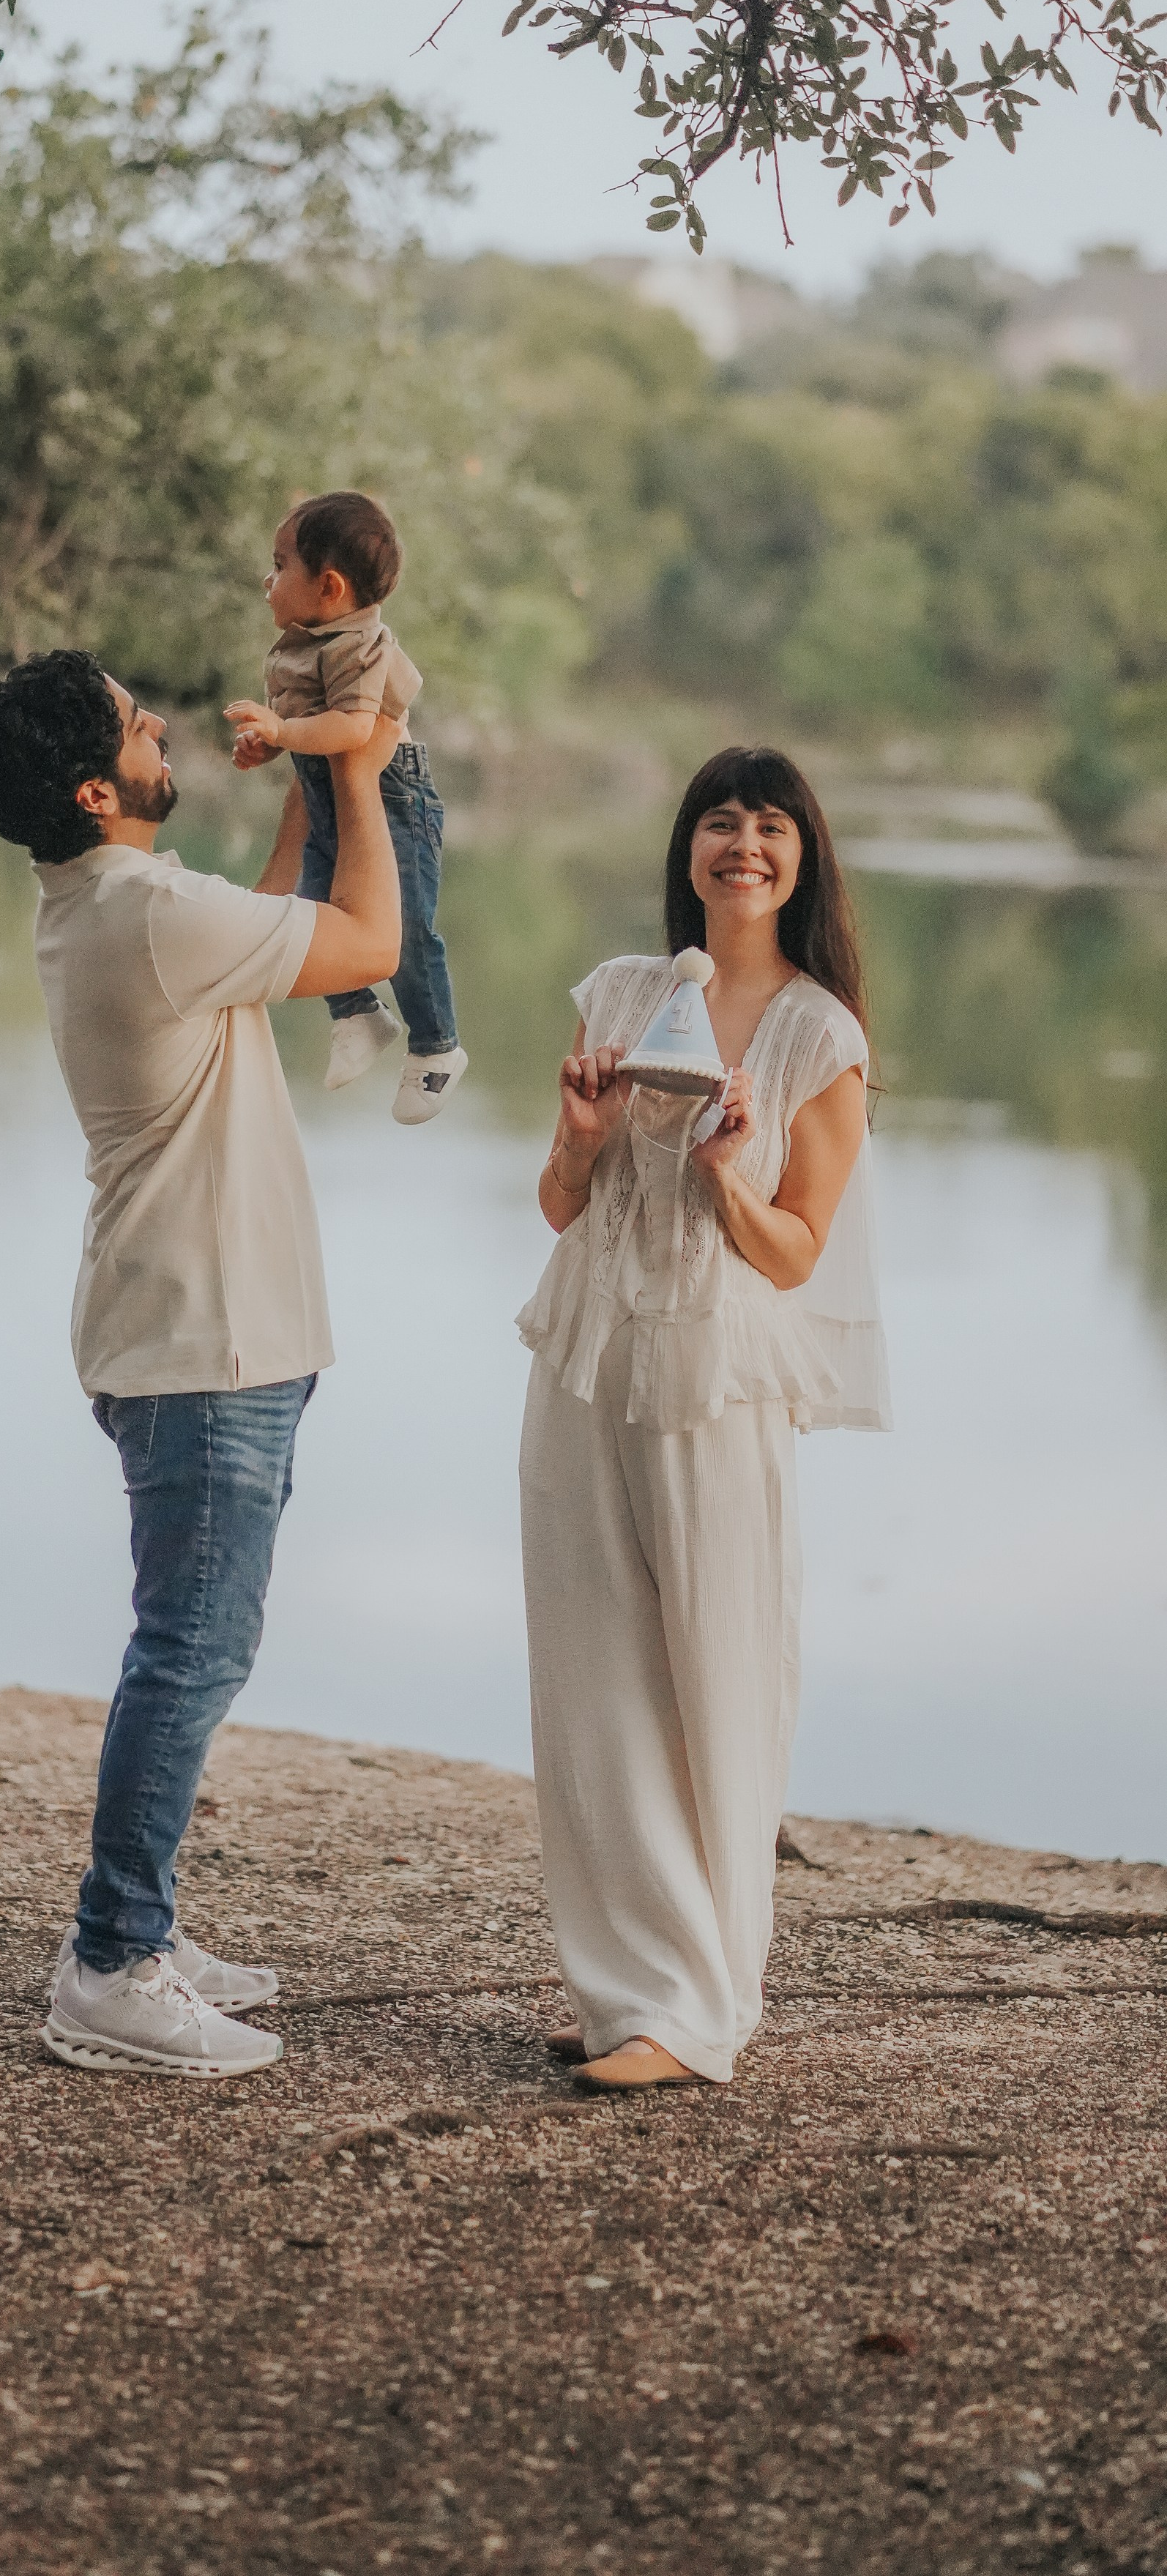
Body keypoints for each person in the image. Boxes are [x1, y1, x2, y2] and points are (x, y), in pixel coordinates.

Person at [0, 648, 403, 2077]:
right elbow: (365, 941)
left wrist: (313, 805)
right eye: (142, 727)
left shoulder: (117, 905)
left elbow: (267, 928)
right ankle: (111, 1961)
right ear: (101, 787)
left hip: (199, 1325)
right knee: (194, 1647)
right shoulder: (142, 910)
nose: (166, 728)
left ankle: (136, 1922)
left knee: (189, 1637)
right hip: (205, 1337)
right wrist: (359, 774)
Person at [516, 745, 890, 2091]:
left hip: (716, 1381)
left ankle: (701, 2006)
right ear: (688, 850)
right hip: (584, 1358)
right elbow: (561, 1205)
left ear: (804, 859)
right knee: (593, 1682)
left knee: (714, 1678)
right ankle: (630, 1993)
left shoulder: (818, 1035)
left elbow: (796, 1252)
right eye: (721, 821)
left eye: (772, 824)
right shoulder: (626, 992)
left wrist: (732, 1179)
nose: (744, 843)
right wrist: (579, 1134)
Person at [223, 491, 467, 1125]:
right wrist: (270, 746)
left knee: (406, 927)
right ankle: (356, 1012)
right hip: (328, 792)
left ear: (328, 587)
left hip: (390, 796)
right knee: (315, 909)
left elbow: (355, 732)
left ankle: (435, 1046)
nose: (266, 580)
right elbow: (313, 729)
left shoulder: (361, 647)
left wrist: (281, 734)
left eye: (279, 565)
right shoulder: (310, 641)